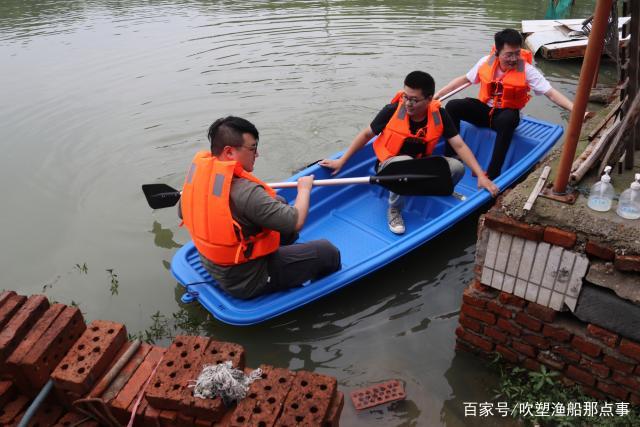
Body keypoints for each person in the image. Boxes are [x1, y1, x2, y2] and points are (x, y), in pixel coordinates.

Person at [179, 116, 341, 299]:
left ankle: (287, 257)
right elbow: (296, 222)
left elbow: (181, 211)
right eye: (252, 148)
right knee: (328, 252)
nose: (257, 154)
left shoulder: (197, 179)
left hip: (215, 265)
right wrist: (304, 188)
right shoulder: (247, 192)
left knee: (279, 201)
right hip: (248, 280)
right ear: (229, 152)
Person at [320, 71, 499, 235]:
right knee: (405, 162)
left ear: (429, 99)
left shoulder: (440, 115)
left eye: (414, 100)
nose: (408, 103)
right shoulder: (391, 111)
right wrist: (342, 161)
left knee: (457, 167)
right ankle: (394, 209)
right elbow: (366, 134)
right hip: (389, 167)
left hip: (420, 163)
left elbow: (459, 146)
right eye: (406, 97)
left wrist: (480, 175)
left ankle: (439, 189)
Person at [435, 28, 577, 179]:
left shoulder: (527, 70)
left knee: (507, 119)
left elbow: (550, 93)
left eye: (517, 53)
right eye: (509, 54)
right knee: (453, 106)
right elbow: (465, 80)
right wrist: (437, 96)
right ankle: (452, 155)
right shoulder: (486, 62)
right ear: (497, 51)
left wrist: (576, 110)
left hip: (506, 114)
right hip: (486, 111)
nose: (514, 59)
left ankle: (492, 173)